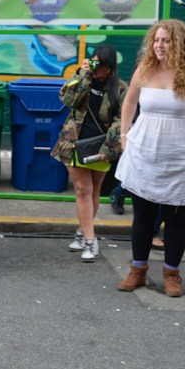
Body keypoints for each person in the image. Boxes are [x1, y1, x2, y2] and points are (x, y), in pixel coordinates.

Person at [115, 19, 185, 297]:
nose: (159, 46)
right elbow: (129, 102)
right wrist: (124, 135)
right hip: (145, 151)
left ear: (180, 44)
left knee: (177, 221)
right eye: (156, 40)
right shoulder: (145, 69)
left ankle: (172, 273)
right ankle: (138, 270)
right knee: (143, 217)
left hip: (183, 154)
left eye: (166, 41)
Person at [51, 43, 127, 262]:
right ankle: (91, 240)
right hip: (75, 142)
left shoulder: (120, 89)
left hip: (102, 146)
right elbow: (67, 99)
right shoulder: (84, 78)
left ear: (111, 68)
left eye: (102, 65)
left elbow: (121, 121)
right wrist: (83, 74)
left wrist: (109, 149)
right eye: (95, 63)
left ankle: (82, 231)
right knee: (83, 190)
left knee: (94, 191)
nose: (98, 69)